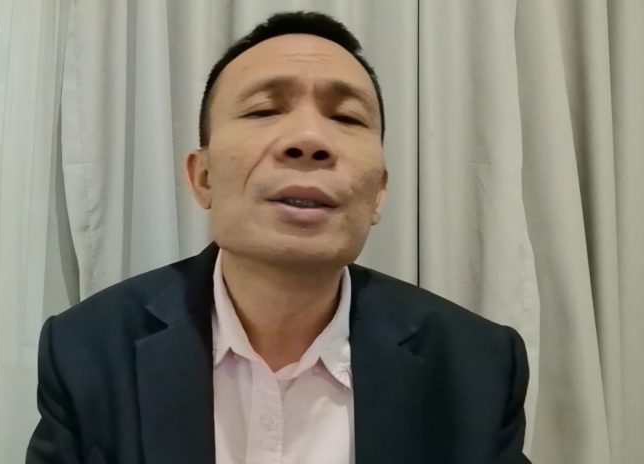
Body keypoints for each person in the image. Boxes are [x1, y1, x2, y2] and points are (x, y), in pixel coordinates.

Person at [26, 11, 530, 464]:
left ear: (379, 192)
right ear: (203, 178)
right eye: (264, 110)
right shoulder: (88, 350)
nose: (307, 140)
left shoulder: (476, 367)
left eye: (346, 117)